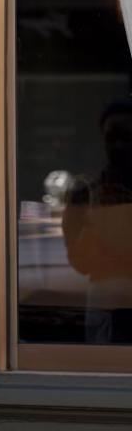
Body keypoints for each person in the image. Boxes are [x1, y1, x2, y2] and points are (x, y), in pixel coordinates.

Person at [63, 97, 132, 343]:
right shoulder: (85, 192)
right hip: (104, 299)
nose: (119, 145)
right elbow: (80, 261)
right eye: (112, 137)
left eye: (127, 136)